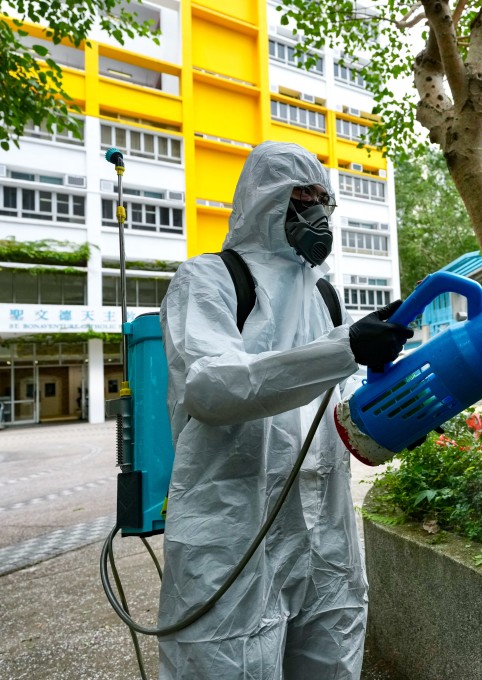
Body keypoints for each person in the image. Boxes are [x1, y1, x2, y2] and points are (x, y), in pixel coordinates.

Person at [157, 141, 412, 679]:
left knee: (334, 660)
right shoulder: (209, 279)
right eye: (304, 197)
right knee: (229, 661)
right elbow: (210, 387)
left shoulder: (325, 297)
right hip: (233, 534)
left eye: (325, 200)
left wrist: (400, 410)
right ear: (265, 200)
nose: (318, 212)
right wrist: (344, 349)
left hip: (326, 536)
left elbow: (337, 418)